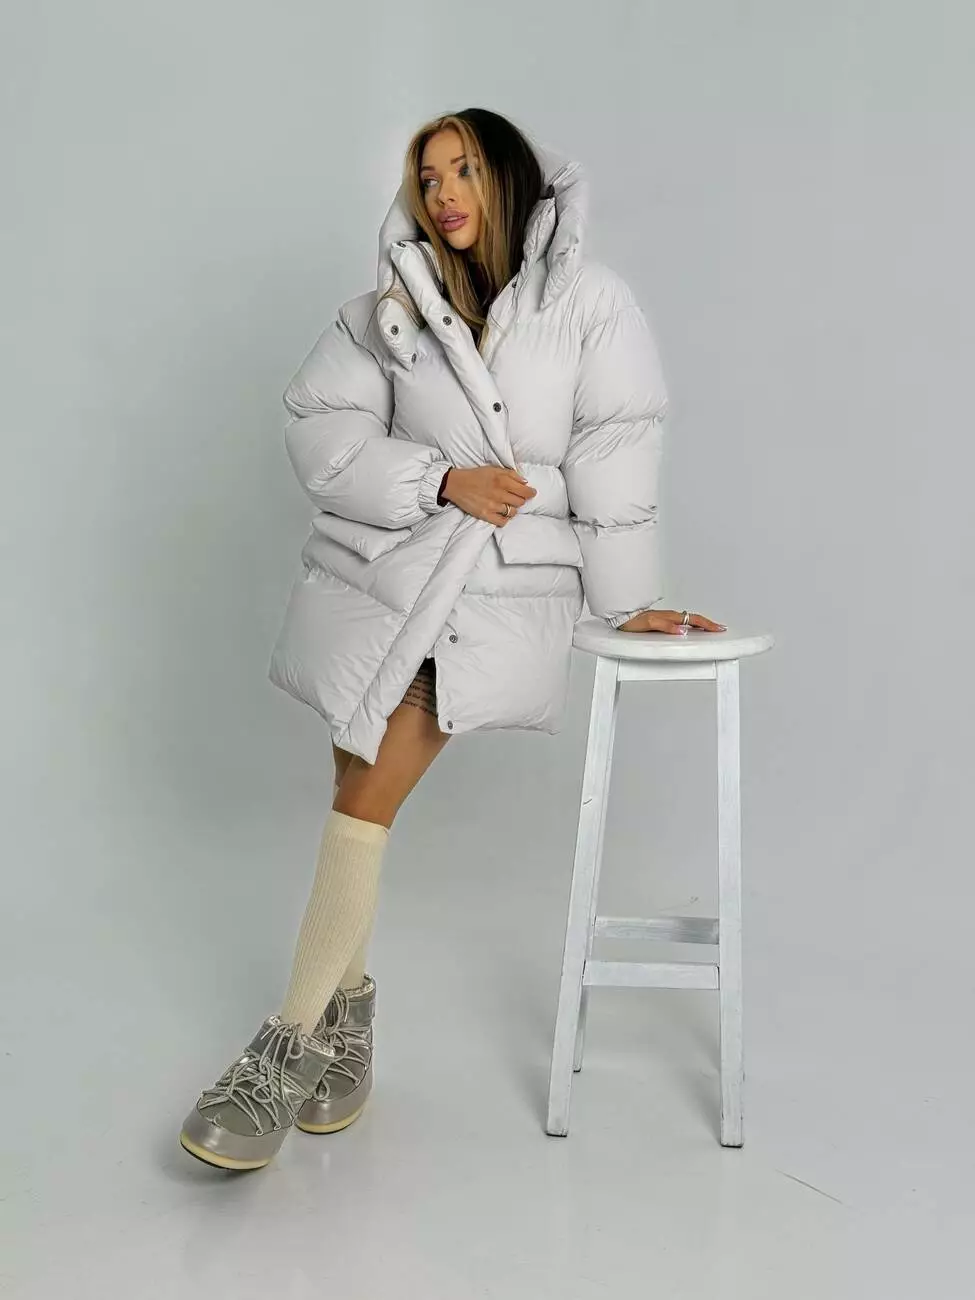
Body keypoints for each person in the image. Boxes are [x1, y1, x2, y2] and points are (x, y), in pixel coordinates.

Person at [178, 107, 725, 1171]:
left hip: (494, 591)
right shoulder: (391, 309)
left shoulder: (591, 305)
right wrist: (438, 479)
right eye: (427, 178)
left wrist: (627, 601)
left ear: (508, 176)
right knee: (354, 783)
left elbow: (616, 451)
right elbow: (320, 428)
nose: (443, 195)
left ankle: (282, 1047)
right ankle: (348, 1035)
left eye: (463, 170)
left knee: (365, 795)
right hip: (382, 585)